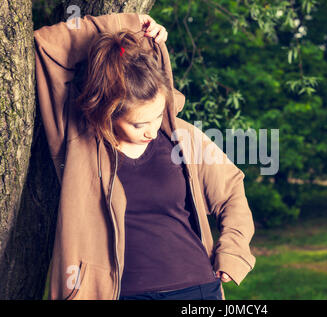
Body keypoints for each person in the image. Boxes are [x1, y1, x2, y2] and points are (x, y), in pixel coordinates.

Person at [34, 12, 256, 300]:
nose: (152, 130)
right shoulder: (77, 140)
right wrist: (130, 23)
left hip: (197, 289)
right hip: (117, 294)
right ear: (108, 112)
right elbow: (46, 44)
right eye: (139, 124)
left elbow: (231, 191)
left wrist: (234, 252)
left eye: (157, 115)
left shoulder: (182, 137)